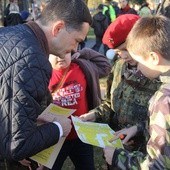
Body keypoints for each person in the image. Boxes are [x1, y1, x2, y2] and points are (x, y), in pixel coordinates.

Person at [0, 0, 92, 169]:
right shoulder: (33, 59)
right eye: (77, 40)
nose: (74, 48)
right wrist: (59, 127)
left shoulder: (9, 34)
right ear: (58, 28)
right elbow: (17, 145)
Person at [80, 14, 161, 166]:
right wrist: (94, 114)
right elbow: (111, 103)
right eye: (118, 52)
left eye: (126, 49)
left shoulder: (158, 75)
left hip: (144, 157)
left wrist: (137, 129)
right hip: (116, 149)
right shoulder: (118, 67)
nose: (123, 56)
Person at [103, 15, 170, 170]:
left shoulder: (163, 99)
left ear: (153, 57)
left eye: (139, 61)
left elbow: (159, 164)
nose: (138, 69)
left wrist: (116, 158)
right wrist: (138, 128)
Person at [48, 48, 111, 170]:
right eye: (55, 54)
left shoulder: (81, 67)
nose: (61, 57)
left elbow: (106, 66)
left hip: (81, 135)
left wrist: (83, 53)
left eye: (65, 52)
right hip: (55, 138)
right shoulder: (43, 74)